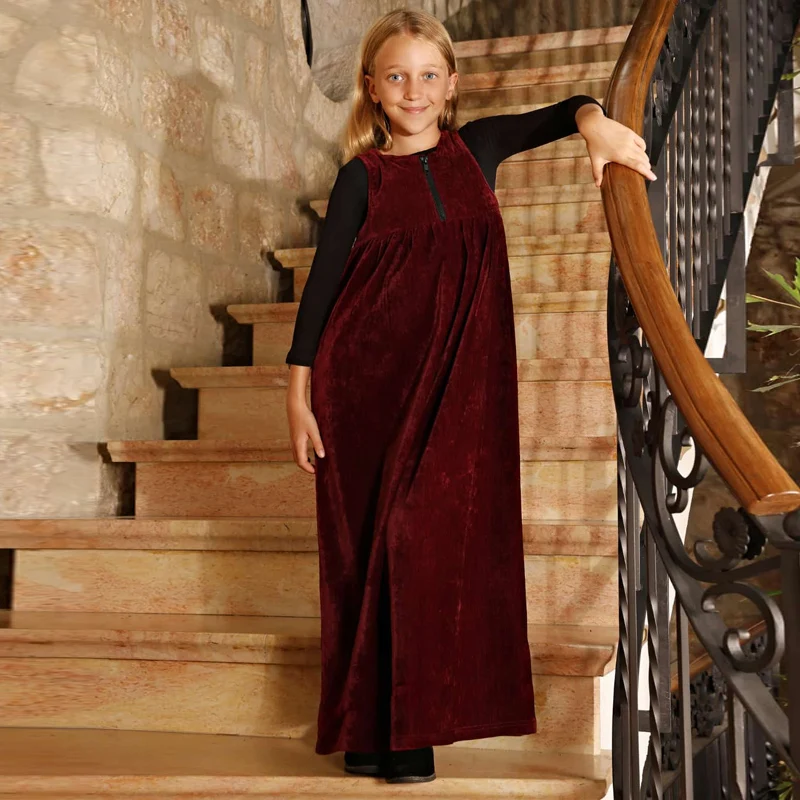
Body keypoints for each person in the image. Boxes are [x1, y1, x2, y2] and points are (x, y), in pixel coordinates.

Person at [285, 8, 655, 785]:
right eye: (396, 76)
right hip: (364, 386)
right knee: (367, 552)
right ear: (372, 88)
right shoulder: (361, 178)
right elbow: (321, 289)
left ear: (451, 84)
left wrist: (596, 127)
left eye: (428, 75)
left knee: (421, 541)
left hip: (459, 387)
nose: (413, 90)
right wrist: (298, 394)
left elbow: (570, 107)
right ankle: (370, 729)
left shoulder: (477, 149)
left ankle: (410, 721)